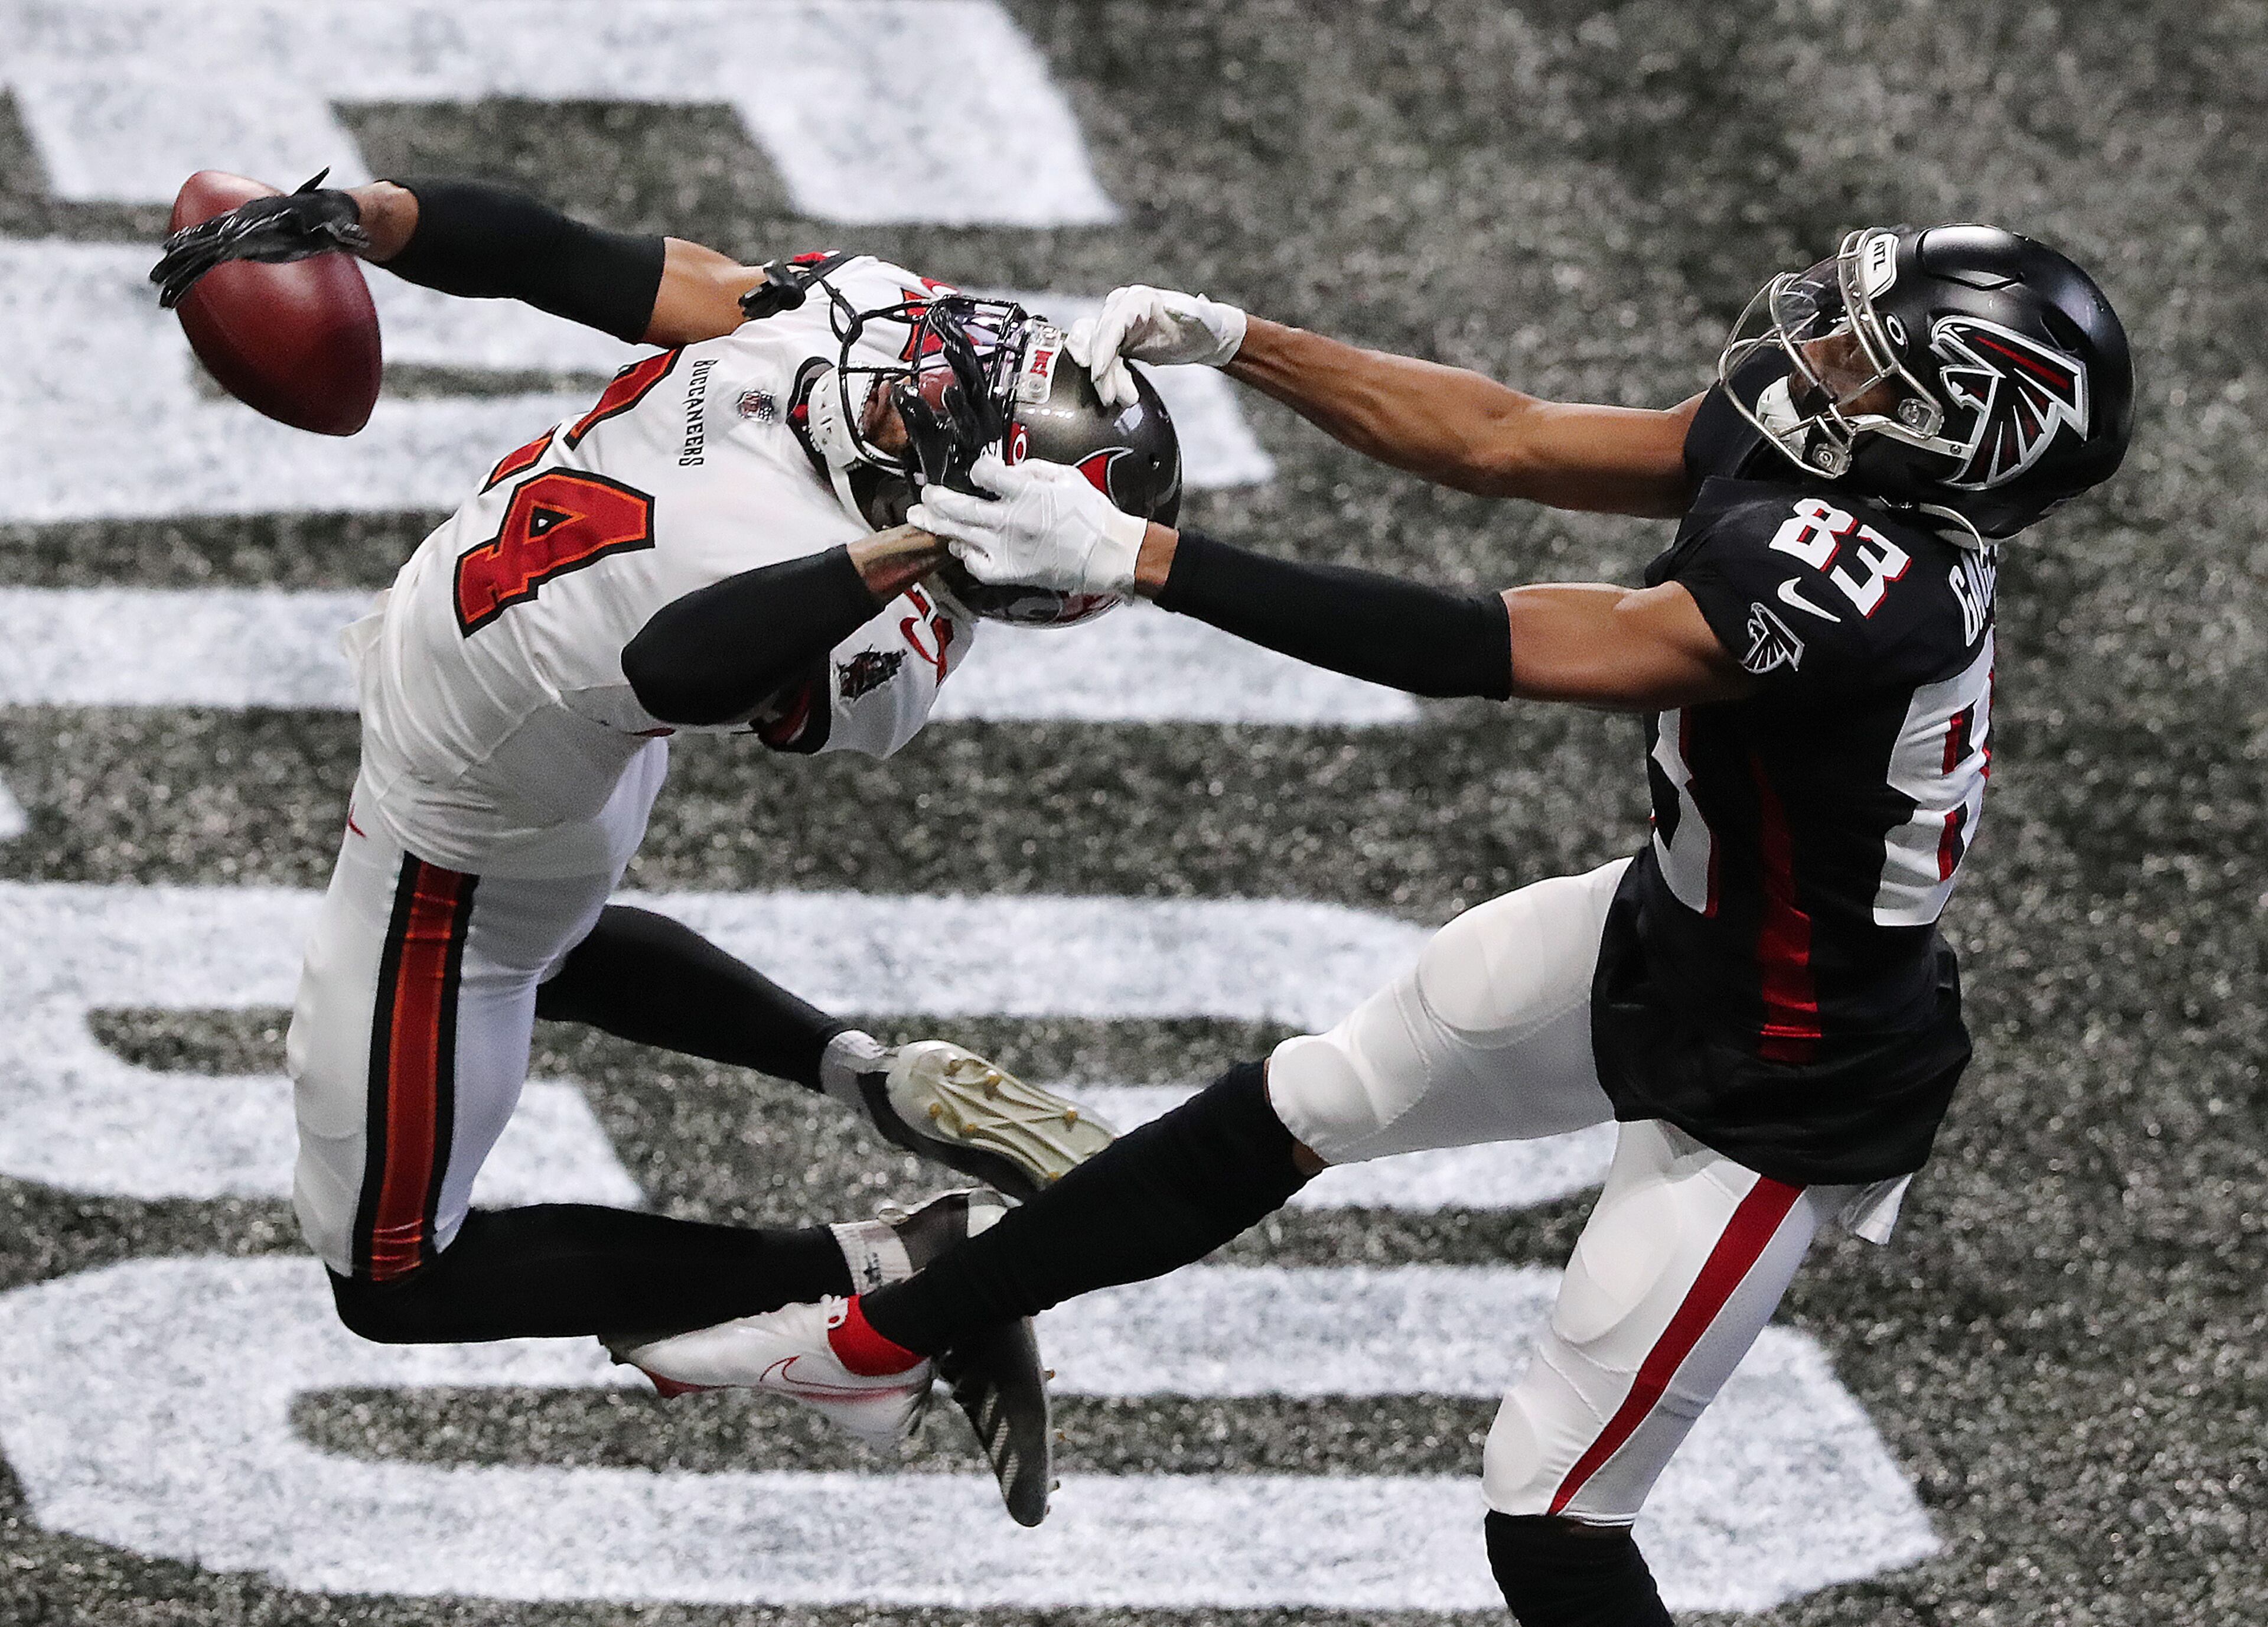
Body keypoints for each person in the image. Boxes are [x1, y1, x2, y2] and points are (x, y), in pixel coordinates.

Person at [681, 225, 2133, 1621]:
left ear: (1970, 435)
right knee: (1307, 1099)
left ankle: (884, 1342)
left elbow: (1478, 644)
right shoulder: (1821, 451)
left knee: (1553, 1517)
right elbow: (1496, 438)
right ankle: (873, 1351)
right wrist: (1245, 342)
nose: (1812, 353)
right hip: (1668, 934)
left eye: (1863, 358)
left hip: (1784, 1074)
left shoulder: (1866, 589)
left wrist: (1142, 560)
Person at [150, 175, 1182, 1528]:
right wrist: (386, 221)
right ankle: (865, 1073)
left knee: (394, 1281)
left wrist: (906, 541)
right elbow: (576, 259)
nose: (902, 383)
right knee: (539, 955)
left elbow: (682, 663)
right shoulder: (868, 326)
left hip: (474, 820)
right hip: (543, 754)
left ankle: (892, 1267)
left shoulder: (863, 540)